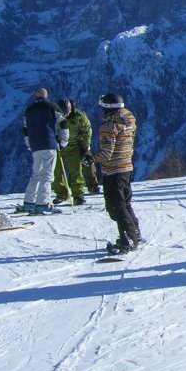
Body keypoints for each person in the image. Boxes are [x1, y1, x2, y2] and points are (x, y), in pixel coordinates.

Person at [94, 93, 143, 254]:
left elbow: (106, 153)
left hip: (113, 170)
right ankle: (134, 233)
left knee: (116, 206)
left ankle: (128, 239)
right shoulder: (129, 121)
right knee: (125, 203)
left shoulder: (109, 126)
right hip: (126, 167)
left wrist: (91, 158)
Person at [20, 89, 69, 215]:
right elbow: (63, 122)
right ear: (46, 96)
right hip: (49, 143)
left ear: (35, 96)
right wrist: (64, 141)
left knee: (36, 174)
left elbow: (25, 129)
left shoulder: (28, 109)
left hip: (35, 146)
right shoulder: (52, 106)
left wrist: (29, 145)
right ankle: (43, 203)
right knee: (47, 175)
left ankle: (28, 202)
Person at [52, 99, 93, 205]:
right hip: (59, 147)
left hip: (74, 146)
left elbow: (87, 130)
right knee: (56, 172)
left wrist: (85, 147)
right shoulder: (53, 115)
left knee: (76, 171)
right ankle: (61, 193)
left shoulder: (79, 116)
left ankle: (78, 195)